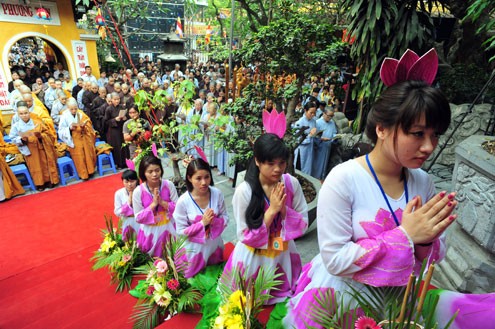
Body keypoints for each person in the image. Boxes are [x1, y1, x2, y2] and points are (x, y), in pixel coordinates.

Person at [283, 79, 457, 327]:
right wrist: (405, 235)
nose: (429, 146)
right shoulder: (343, 179)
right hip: (343, 302)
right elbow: (334, 258)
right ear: (382, 129)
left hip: (399, 302)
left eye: (435, 135)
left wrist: (427, 240)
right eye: (418, 134)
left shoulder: (423, 182)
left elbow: (433, 257)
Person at [223, 133, 308, 304]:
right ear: (257, 161)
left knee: (281, 296)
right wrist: (272, 211)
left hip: (282, 252)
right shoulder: (244, 191)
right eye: (270, 163)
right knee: (248, 301)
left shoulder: (291, 184)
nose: (277, 169)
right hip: (253, 256)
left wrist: (283, 210)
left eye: (281, 163)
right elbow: (244, 235)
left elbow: (303, 222)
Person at [175, 158, 228, 278]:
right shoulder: (183, 201)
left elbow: (225, 216)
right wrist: (202, 223)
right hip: (193, 250)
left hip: (214, 245)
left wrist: (215, 222)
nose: (204, 182)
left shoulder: (217, 194)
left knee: (213, 278)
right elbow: (180, 231)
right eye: (198, 178)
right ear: (189, 178)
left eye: (207, 177)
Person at [132, 155, 179, 257]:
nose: (154, 174)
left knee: (172, 257)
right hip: (149, 232)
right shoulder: (138, 191)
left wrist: (163, 203)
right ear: (143, 173)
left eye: (157, 170)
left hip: (169, 227)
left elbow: (178, 208)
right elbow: (138, 217)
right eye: (150, 172)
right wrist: (152, 205)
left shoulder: (169, 185)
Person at [9, 102, 60, 191]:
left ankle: (49, 181)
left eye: (26, 113)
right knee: (35, 167)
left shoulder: (37, 123)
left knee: (45, 164)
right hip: (30, 149)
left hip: (42, 147)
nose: (24, 115)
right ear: (18, 115)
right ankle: (39, 183)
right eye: (21, 114)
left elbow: (48, 134)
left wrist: (41, 136)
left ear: (29, 112)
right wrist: (21, 140)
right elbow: (13, 138)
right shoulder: (16, 126)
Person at [58, 98, 96, 180]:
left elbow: (88, 122)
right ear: (68, 108)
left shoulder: (81, 113)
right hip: (74, 139)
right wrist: (70, 128)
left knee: (87, 155)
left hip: (84, 136)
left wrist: (84, 126)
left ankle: (90, 171)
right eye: (72, 109)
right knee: (79, 157)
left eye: (75, 108)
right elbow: (61, 131)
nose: (74, 111)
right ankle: (83, 174)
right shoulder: (64, 116)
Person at [114, 169, 140, 241]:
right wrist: (128, 202)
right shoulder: (119, 193)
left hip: (141, 221)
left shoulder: (141, 191)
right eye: (126, 181)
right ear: (123, 181)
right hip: (127, 221)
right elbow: (117, 212)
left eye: (132, 181)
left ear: (137, 180)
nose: (129, 184)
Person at [312, 108, 338, 180]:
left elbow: (334, 132)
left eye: (331, 116)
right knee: (317, 165)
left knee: (325, 164)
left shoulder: (332, 122)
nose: (330, 118)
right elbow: (314, 136)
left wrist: (335, 137)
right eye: (328, 116)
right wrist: (321, 139)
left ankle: (322, 178)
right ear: (324, 114)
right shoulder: (317, 123)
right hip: (319, 147)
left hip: (328, 147)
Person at [104, 92, 128, 169]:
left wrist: (125, 118)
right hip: (114, 131)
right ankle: (119, 164)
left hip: (122, 128)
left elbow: (126, 116)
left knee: (124, 145)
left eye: (118, 99)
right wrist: (114, 120)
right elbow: (106, 121)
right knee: (117, 146)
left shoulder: (122, 107)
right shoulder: (108, 109)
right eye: (115, 99)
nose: (117, 101)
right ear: (111, 100)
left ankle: (126, 162)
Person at [293, 101, 317, 175]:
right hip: (302, 150)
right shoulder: (299, 122)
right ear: (305, 110)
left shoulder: (314, 121)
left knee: (308, 168)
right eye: (311, 113)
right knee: (300, 169)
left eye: (314, 113)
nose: (313, 115)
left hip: (310, 149)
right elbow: (297, 139)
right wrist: (310, 136)